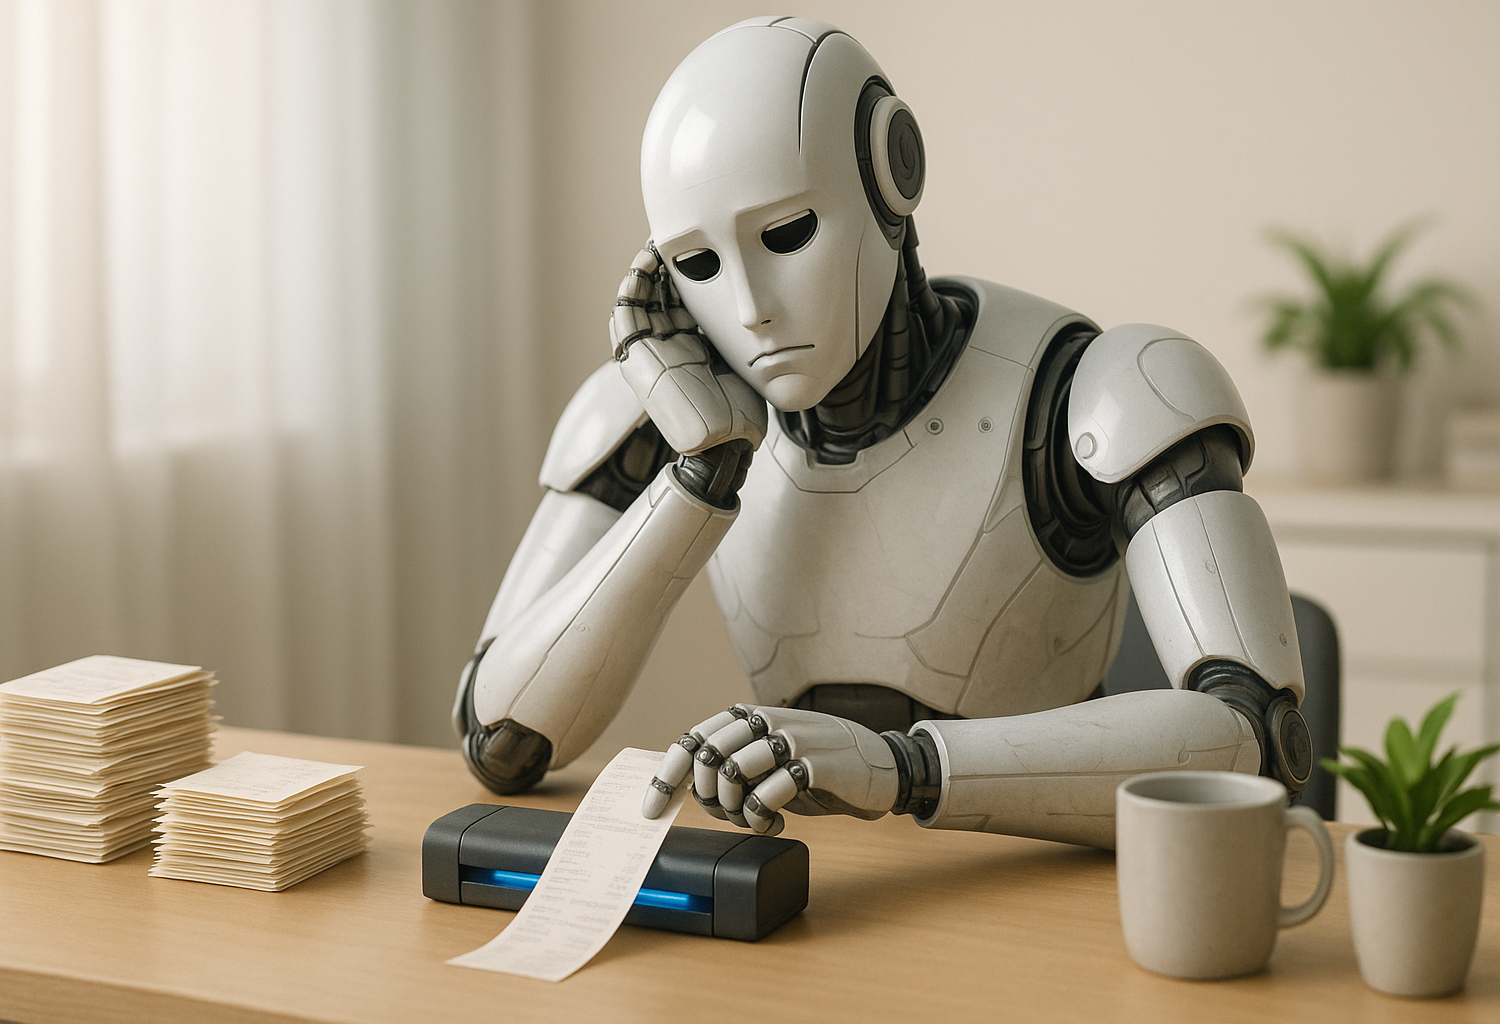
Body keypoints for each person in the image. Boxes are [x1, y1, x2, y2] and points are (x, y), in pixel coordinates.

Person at [452, 17, 1312, 848]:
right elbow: (501, 739)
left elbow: (1256, 736)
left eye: (785, 235)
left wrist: (904, 770)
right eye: (698, 264)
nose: (750, 311)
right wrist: (700, 473)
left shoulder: (1095, 390)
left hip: (1037, 891)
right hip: (815, 887)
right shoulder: (661, 414)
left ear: (891, 174)